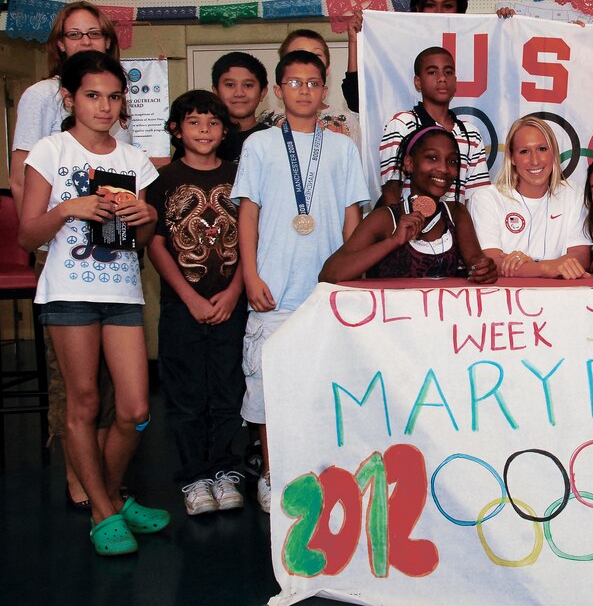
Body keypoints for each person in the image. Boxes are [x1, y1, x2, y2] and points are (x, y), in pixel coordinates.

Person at [18, 50, 169, 554]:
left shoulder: (134, 160)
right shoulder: (50, 151)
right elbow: (27, 235)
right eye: (92, 96)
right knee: (82, 403)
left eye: (114, 96)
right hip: (69, 292)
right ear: (69, 98)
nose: (105, 106)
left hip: (122, 293)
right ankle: (104, 511)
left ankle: (110, 495)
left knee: (135, 408)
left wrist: (146, 217)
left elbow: (140, 242)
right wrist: (69, 207)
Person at [232, 49, 368, 513]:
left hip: (325, 292)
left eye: (312, 83)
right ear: (277, 90)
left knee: (324, 389)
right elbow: (248, 214)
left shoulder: (342, 148)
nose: (304, 91)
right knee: (269, 391)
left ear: (325, 91)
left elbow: (352, 220)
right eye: (294, 82)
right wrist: (250, 275)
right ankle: (273, 474)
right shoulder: (260, 145)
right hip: (273, 290)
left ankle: (320, 472)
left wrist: (352, 280)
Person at [9, 0, 130, 512]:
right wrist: (45, 235)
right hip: (59, 247)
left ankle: (101, 473)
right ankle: (78, 477)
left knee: (111, 381)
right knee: (71, 379)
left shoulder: (115, 95)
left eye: (94, 34)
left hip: (112, 249)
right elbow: (22, 177)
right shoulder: (43, 95)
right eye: (75, 34)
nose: (85, 42)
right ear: (59, 43)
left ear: (108, 40)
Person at [147, 90, 247, 516]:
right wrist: (188, 297)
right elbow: (155, 244)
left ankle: (224, 470)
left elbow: (252, 239)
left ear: (225, 131)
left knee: (228, 389)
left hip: (231, 303)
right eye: (194, 122)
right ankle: (194, 477)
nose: (204, 130)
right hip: (181, 306)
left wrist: (236, 291)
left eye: (212, 122)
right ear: (176, 129)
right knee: (186, 393)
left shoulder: (240, 176)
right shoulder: (162, 180)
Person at [320, 127, 497, 283]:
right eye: (432, 158)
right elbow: (330, 274)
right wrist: (394, 241)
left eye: (452, 161)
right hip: (391, 312)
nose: (444, 168)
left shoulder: (456, 213)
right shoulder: (385, 218)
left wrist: (483, 270)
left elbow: (475, 261)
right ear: (409, 163)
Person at [469, 116, 592, 279]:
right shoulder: (487, 198)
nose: (535, 161)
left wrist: (531, 266)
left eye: (542, 149)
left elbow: (581, 257)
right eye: (524, 151)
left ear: (554, 152)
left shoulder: (573, 193)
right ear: (512, 158)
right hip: (505, 294)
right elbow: (492, 263)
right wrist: (546, 268)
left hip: (561, 294)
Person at [378, 47, 489, 206]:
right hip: (410, 220)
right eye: (432, 72)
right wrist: (399, 221)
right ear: (418, 82)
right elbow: (391, 189)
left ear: (455, 81)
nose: (442, 78)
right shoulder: (402, 124)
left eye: (448, 72)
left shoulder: (471, 134)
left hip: (454, 221)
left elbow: (477, 197)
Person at [341, 0, 470, 112]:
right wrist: (354, 41)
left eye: (447, 6)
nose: (438, 12)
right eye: (430, 5)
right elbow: (356, 100)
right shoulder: (396, 48)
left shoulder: (472, 48)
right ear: (418, 9)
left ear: (459, 10)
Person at [259, 29, 361, 153]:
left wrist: (354, 42)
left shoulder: (346, 122)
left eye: (316, 56)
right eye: (298, 55)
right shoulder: (268, 118)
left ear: (327, 68)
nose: (308, 61)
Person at [211, 51, 268, 162]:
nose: (239, 93)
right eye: (230, 85)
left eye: (248, 85)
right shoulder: (202, 139)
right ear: (215, 92)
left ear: (262, 93)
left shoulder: (275, 140)